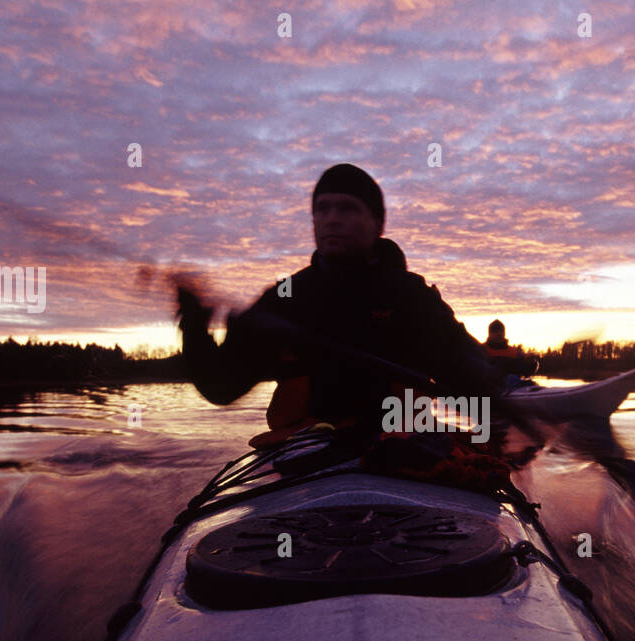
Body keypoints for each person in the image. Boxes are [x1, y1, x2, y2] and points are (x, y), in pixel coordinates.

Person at [175, 163, 503, 445]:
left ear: (377, 224)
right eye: (323, 208)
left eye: (347, 208)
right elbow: (221, 388)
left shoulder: (411, 295)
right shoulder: (286, 296)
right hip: (311, 451)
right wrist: (193, 322)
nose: (332, 219)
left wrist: (495, 416)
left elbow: (474, 382)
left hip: (403, 447)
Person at [482, 319, 538, 387]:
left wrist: (531, 363)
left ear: (504, 333)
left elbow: (527, 371)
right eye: (494, 331)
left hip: (513, 387)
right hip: (489, 386)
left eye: (501, 331)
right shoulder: (480, 350)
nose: (498, 334)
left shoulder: (515, 352)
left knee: (515, 379)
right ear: (489, 334)